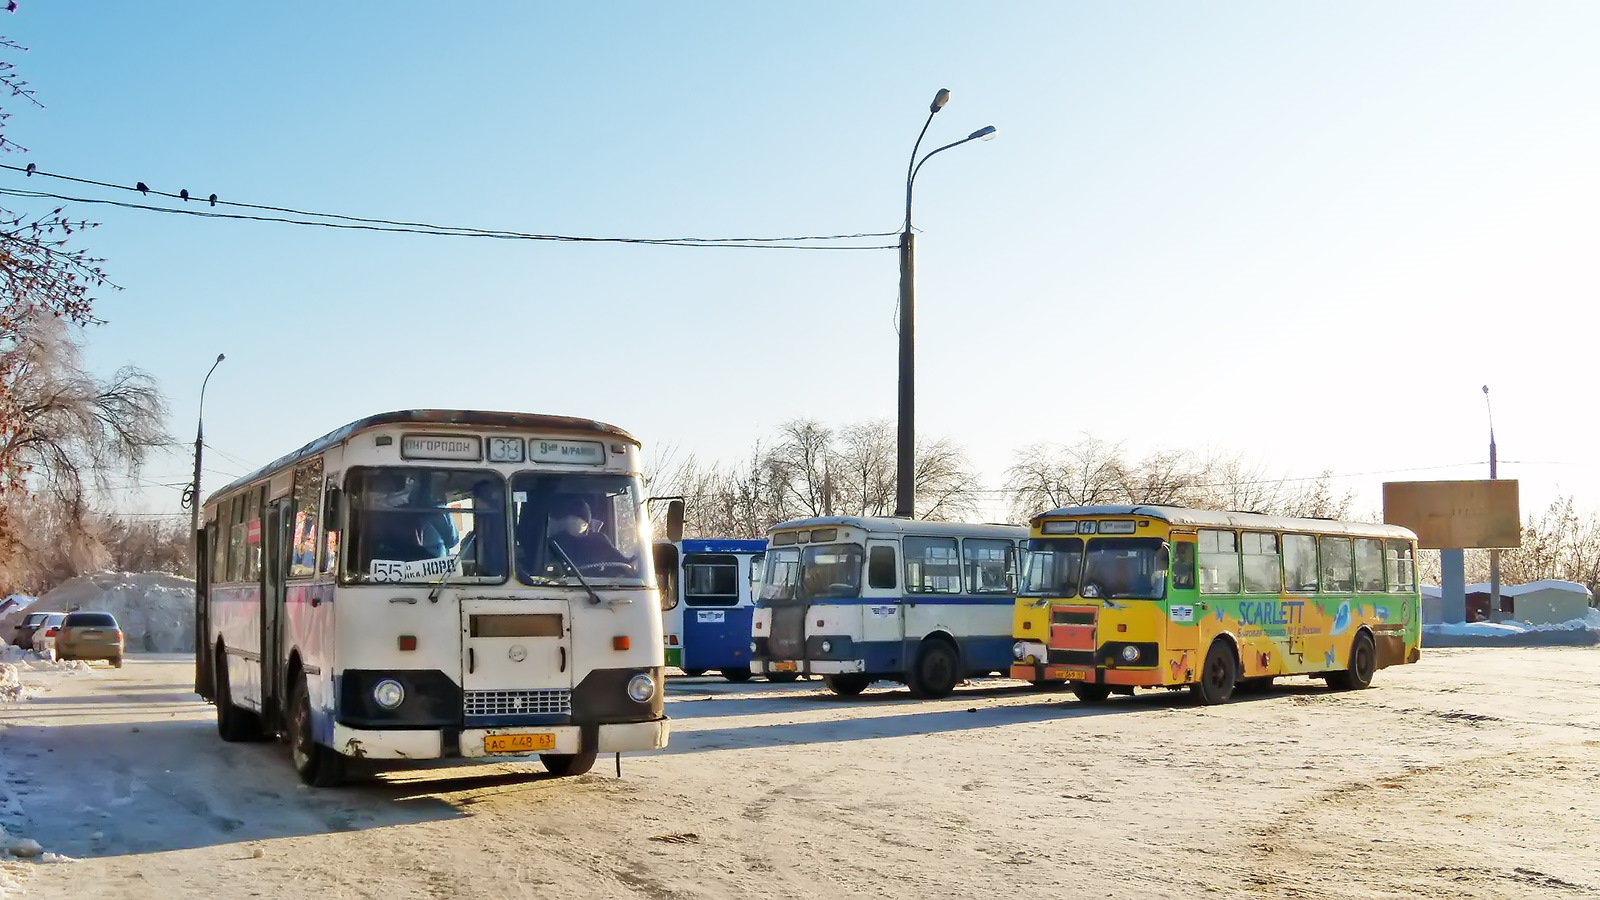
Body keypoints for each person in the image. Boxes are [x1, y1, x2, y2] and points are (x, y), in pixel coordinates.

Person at [546, 495, 632, 571]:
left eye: (580, 519)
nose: (572, 521)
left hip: (596, 586)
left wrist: (633, 563)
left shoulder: (598, 541)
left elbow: (623, 563)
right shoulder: (554, 543)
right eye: (572, 518)